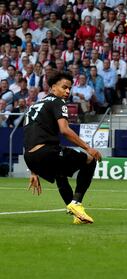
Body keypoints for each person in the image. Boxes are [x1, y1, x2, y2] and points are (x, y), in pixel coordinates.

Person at [23, 72, 102, 224]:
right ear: (53, 87)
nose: (67, 91)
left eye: (69, 89)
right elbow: (65, 130)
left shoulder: (35, 106)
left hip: (30, 156)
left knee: (60, 174)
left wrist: (33, 169)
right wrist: (88, 148)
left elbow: (28, 134)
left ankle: (77, 215)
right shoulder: (58, 102)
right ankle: (76, 203)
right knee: (90, 160)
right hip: (46, 152)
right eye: (64, 87)